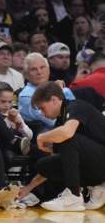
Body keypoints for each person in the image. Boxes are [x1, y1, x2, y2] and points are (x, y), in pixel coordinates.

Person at [18, 82, 105, 211]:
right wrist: (28, 188)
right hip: (96, 165)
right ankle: (97, 186)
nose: (41, 113)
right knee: (44, 164)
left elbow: (67, 133)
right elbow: (61, 160)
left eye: (42, 108)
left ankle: (74, 196)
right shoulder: (61, 122)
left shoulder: (77, 106)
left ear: (54, 100)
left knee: (69, 138)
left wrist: (41, 137)